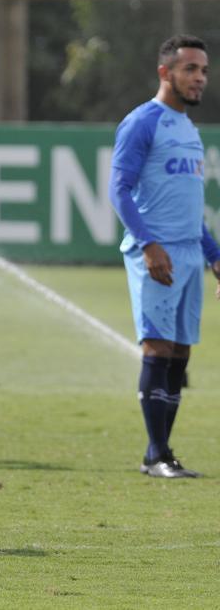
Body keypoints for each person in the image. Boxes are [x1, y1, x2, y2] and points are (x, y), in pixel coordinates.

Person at [108, 34, 220, 479]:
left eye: (204, 70)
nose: (200, 78)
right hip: (157, 254)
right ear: (164, 72)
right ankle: (156, 455)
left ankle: (161, 454)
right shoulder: (142, 122)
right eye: (190, 69)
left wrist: (214, 255)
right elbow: (119, 190)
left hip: (190, 254)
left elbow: (190, 209)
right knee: (157, 347)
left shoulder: (189, 129)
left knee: (179, 353)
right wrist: (149, 244)